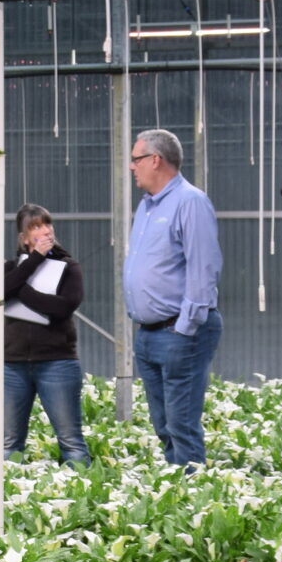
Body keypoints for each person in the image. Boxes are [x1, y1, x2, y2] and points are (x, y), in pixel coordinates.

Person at [122, 128, 223, 466]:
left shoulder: (190, 202)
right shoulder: (146, 207)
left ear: (155, 160)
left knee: (181, 424)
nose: (131, 167)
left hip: (178, 332)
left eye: (136, 159)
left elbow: (203, 269)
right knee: (163, 423)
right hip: (149, 333)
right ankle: (177, 490)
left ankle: (194, 496)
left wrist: (184, 327)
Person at [3, 203, 89, 465]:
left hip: (57, 361)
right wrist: (34, 262)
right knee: (8, 444)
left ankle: (82, 491)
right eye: (35, 227)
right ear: (24, 237)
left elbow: (62, 307)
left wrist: (22, 291)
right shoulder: (10, 268)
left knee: (71, 441)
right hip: (13, 363)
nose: (44, 231)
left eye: (46, 224)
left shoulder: (67, 267)